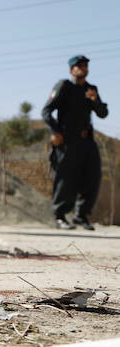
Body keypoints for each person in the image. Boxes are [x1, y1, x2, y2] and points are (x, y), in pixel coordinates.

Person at [42, 55, 109, 230]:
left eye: (85, 65)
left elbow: (103, 113)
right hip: (67, 141)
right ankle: (60, 216)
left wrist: (95, 101)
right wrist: (55, 131)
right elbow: (46, 111)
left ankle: (81, 215)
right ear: (72, 69)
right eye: (78, 66)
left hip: (87, 140)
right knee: (66, 178)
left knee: (92, 177)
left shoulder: (90, 89)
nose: (83, 68)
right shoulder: (64, 86)